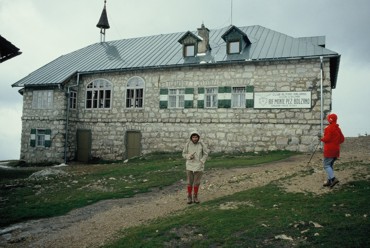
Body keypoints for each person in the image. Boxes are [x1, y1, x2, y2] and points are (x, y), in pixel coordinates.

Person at [182, 131, 209, 204]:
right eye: (193, 137)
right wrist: (188, 156)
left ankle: (195, 196)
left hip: (199, 166)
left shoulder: (201, 144)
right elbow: (183, 154)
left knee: (196, 183)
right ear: (191, 137)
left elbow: (205, 154)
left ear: (198, 137)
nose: (194, 139)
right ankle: (189, 196)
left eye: (196, 137)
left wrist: (202, 161)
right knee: (189, 182)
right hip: (189, 165)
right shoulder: (187, 144)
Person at [320, 113, 345, 188]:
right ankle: (329, 181)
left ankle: (333, 179)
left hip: (329, 150)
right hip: (336, 150)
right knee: (330, 165)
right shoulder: (338, 128)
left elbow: (326, 139)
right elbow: (342, 139)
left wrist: (321, 138)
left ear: (329, 120)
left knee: (326, 165)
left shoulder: (328, 128)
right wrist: (335, 142)